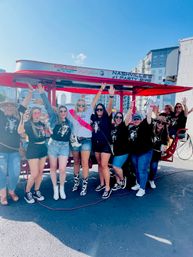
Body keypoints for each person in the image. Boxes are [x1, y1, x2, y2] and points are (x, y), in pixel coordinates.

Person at [69, 83, 107, 196]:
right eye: (79, 104)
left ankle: (84, 185)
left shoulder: (88, 110)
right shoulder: (72, 113)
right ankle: (76, 183)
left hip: (86, 140)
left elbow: (95, 100)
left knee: (84, 163)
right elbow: (59, 112)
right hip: (75, 140)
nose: (81, 106)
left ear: (85, 105)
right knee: (76, 162)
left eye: (83, 104)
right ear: (77, 105)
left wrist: (100, 89)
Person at [38, 83, 72, 200]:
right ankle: (55, 188)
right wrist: (42, 93)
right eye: (61, 111)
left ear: (66, 112)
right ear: (58, 111)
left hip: (64, 146)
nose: (63, 112)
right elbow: (47, 106)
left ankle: (62, 187)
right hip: (53, 145)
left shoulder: (69, 122)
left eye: (64, 111)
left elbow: (73, 134)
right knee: (53, 168)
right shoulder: (54, 118)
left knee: (62, 169)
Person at [0, 85, 33, 205]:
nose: (9, 107)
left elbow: (24, 104)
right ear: (3, 107)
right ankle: (3, 195)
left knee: (15, 173)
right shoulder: (1, 115)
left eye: (11, 105)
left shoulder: (18, 115)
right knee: (1, 173)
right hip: (1, 150)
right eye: (6, 105)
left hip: (14, 150)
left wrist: (30, 93)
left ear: (15, 108)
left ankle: (12, 191)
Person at [18, 89, 48, 204]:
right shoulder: (27, 123)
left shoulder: (41, 123)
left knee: (40, 172)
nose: (37, 114)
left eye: (38, 113)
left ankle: (37, 190)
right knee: (34, 173)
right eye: (35, 113)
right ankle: (27, 192)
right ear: (31, 114)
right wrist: (22, 118)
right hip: (33, 149)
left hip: (43, 149)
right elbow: (20, 131)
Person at [91, 85, 115, 199]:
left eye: (101, 109)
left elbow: (110, 107)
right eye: (97, 109)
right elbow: (92, 104)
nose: (99, 110)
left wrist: (111, 96)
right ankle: (101, 183)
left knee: (104, 165)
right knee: (100, 165)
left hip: (105, 145)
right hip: (96, 145)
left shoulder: (106, 117)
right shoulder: (94, 117)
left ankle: (107, 187)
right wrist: (100, 90)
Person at [129, 106, 154, 197]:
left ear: (141, 119)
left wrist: (150, 109)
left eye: (138, 118)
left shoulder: (144, 126)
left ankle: (142, 189)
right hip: (134, 153)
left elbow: (148, 119)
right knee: (136, 170)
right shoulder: (131, 128)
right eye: (135, 119)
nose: (136, 120)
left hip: (145, 152)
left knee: (142, 170)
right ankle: (139, 184)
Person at [111, 107, 132, 192]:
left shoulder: (123, 126)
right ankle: (118, 182)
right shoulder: (113, 128)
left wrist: (130, 108)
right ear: (114, 118)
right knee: (116, 168)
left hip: (123, 151)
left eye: (120, 117)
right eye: (117, 117)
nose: (118, 119)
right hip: (115, 152)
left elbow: (127, 118)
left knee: (115, 167)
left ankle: (123, 180)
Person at [149, 115, 169, 189]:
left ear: (164, 125)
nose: (160, 124)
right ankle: (139, 181)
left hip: (156, 153)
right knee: (142, 166)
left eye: (162, 123)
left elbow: (164, 145)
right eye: (158, 122)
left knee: (154, 167)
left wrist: (163, 149)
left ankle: (151, 180)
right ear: (156, 122)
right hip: (148, 152)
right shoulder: (151, 129)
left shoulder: (165, 133)